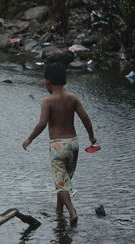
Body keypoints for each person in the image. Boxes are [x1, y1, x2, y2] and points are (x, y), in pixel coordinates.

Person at [22, 62, 96, 225]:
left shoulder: (48, 101)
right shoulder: (73, 98)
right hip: (73, 144)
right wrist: (91, 137)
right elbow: (85, 118)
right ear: (65, 81)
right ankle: (59, 210)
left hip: (57, 146)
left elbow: (42, 124)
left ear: (47, 82)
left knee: (60, 183)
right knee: (64, 179)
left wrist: (30, 139)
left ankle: (72, 211)